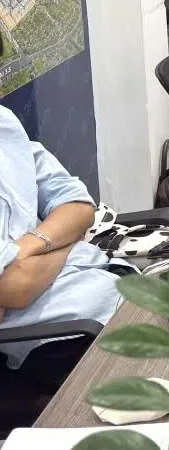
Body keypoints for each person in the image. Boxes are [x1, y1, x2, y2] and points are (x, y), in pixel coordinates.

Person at [0, 108, 124, 408]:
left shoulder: (4, 126)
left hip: (112, 281)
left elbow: (79, 207)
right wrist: (64, 239)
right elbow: (18, 285)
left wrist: (28, 248)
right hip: (60, 337)